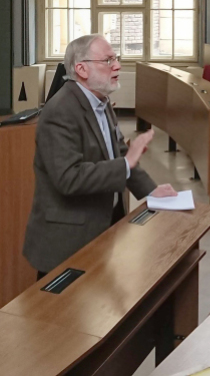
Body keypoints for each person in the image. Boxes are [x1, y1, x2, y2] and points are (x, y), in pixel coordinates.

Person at [23, 34, 178, 277]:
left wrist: (151, 192)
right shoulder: (59, 111)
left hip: (105, 225)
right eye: (107, 61)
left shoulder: (100, 101)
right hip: (68, 240)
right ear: (81, 69)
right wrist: (125, 163)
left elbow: (120, 152)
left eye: (116, 59)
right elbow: (69, 178)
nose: (117, 66)